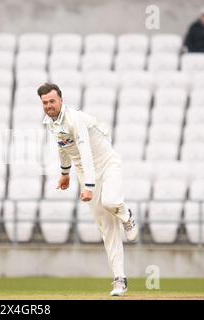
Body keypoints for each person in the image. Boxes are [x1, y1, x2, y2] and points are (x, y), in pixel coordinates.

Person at [39, 83, 138, 297]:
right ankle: (120, 280)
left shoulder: (75, 119)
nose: (48, 106)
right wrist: (65, 173)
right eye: (45, 102)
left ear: (61, 100)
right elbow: (63, 145)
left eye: (52, 101)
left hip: (106, 164)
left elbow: (84, 150)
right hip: (86, 172)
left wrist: (89, 187)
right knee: (106, 227)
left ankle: (126, 215)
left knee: (110, 202)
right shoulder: (50, 122)